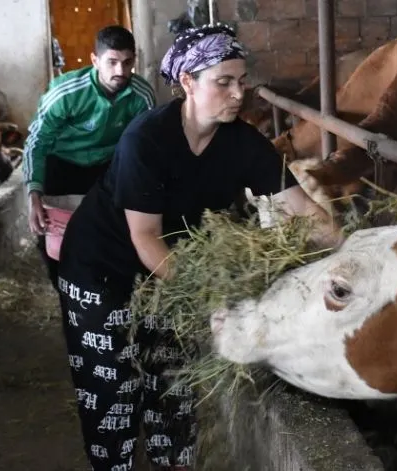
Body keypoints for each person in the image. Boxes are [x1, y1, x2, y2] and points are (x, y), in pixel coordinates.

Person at [53, 23, 338, 471]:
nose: (237, 93)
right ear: (187, 82)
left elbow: (304, 213)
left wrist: (353, 255)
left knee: (172, 380)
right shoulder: (146, 140)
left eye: (241, 80)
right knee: (115, 388)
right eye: (223, 81)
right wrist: (209, 299)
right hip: (103, 267)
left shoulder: (244, 143)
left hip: (173, 266)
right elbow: (145, 238)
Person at [22, 25, 156, 291]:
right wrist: (33, 192)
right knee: (54, 235)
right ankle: (63, 287)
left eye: (127, 62)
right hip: (62, 164)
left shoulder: (142, 96)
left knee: (108, 230)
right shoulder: (66, 93)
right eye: (112, 62)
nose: (120, 71)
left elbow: (147, 146)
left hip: (108, 167)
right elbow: (36, 143)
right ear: (95, 60)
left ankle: (103, 288)